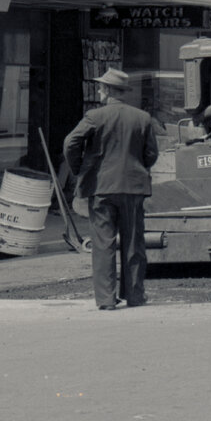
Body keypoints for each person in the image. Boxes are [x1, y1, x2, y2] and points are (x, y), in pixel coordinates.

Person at [64, 68, 158, 310]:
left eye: (100, 87)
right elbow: (151, 154)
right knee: (133, 243)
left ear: (107, 90)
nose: (98, 90)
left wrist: (80, 169)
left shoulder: (95, 116)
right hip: (133, 187)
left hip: (102, 187)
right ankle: (135, 296)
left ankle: (106, 300)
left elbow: (70, 143)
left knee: (103, 243)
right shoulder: (142, 118)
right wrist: (137, 167)